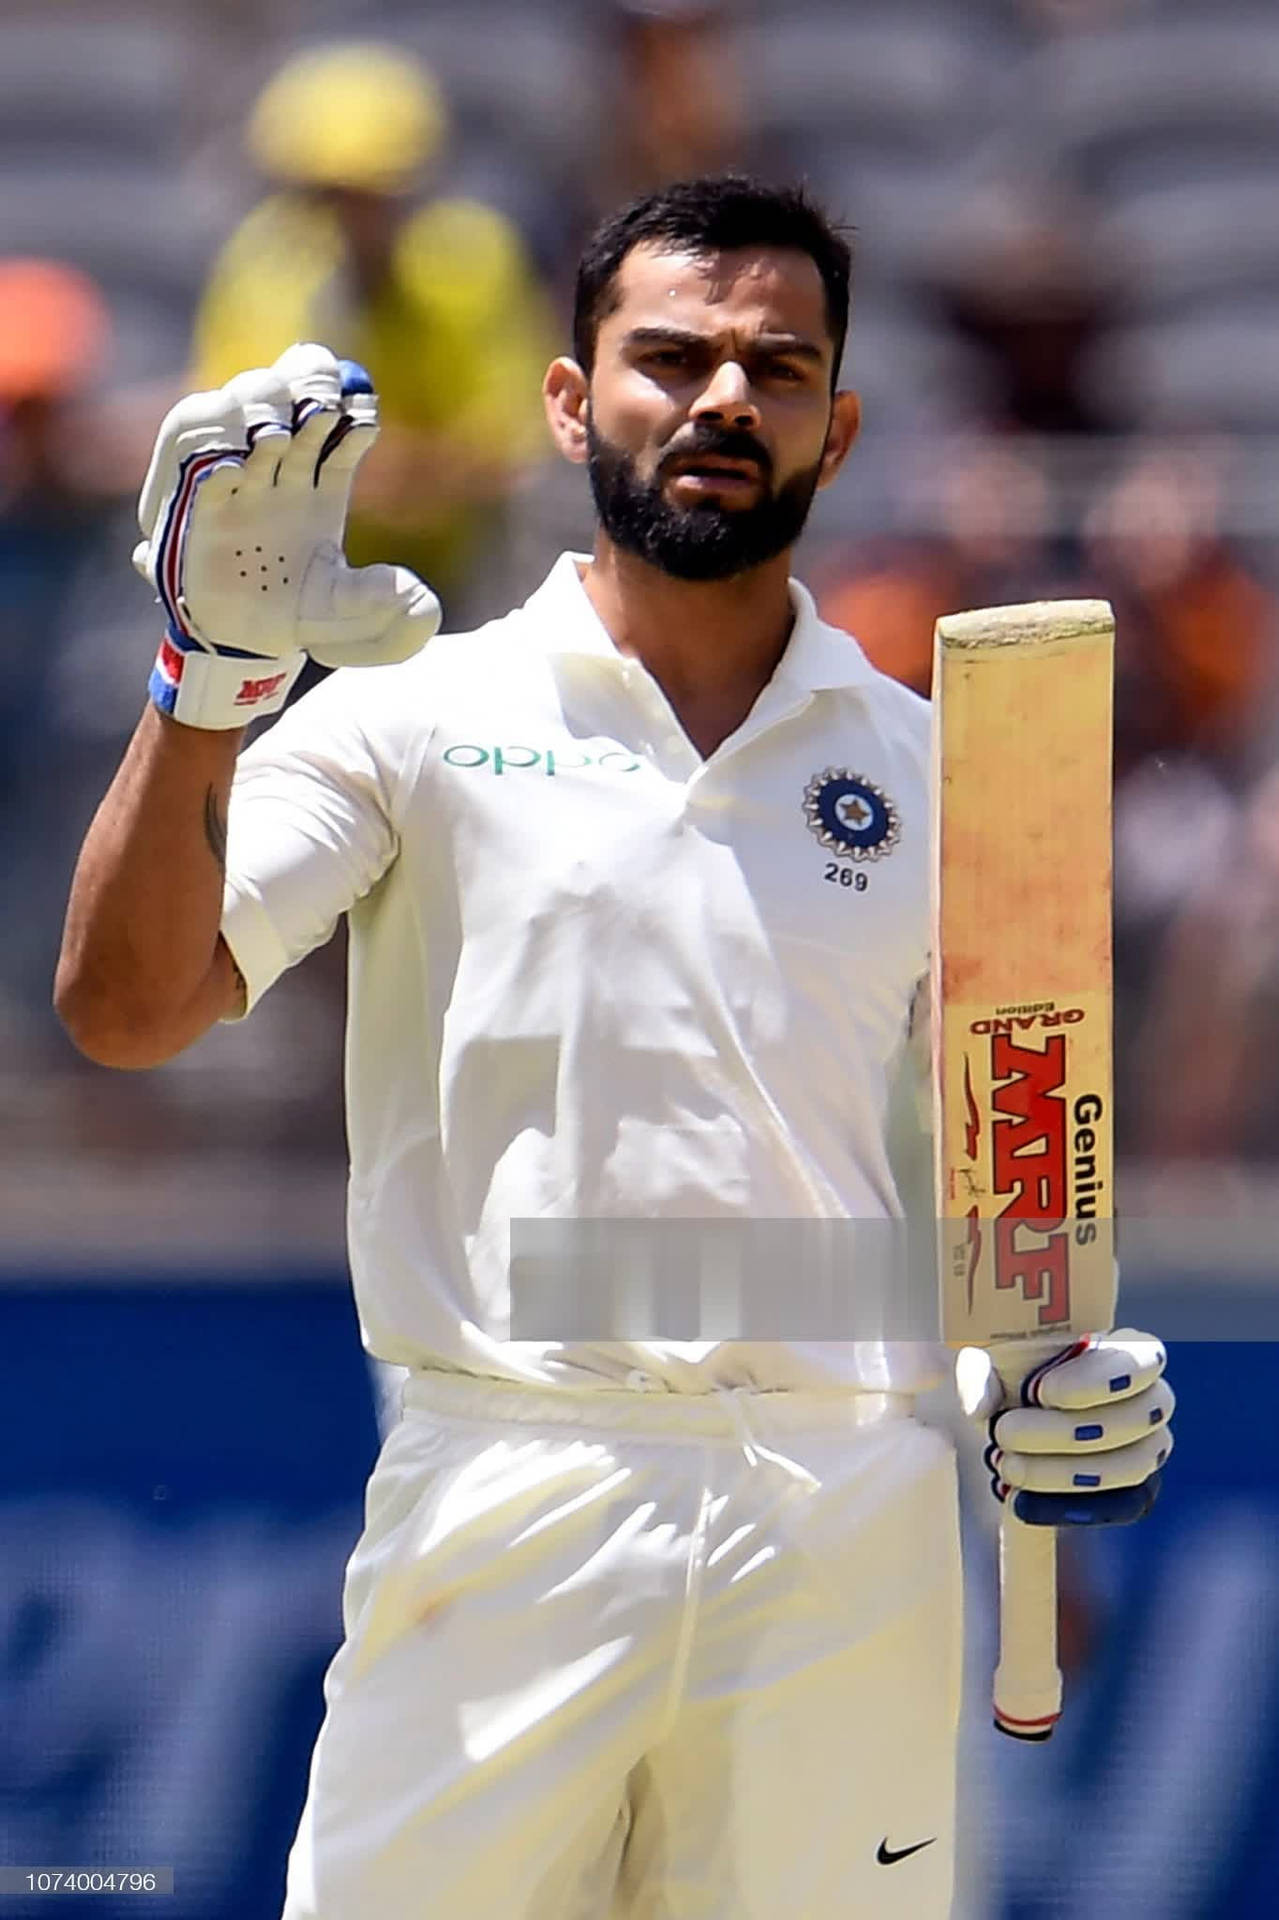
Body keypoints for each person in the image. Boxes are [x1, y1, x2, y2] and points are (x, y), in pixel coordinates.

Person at [56, 177, 1172, 1920]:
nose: (722, 399)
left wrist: (1027, 1386)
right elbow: (127, 1011)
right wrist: (207, 679)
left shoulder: (947, 769)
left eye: (773, 368)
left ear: (836, 424)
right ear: (570, 401)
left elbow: (998, 1183)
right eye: (669, 358)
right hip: (511, 1479)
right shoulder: (417, 718)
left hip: (841, 1520)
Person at [190, 40, 556, 616]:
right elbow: (236, 423)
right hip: (293, 580)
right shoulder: (263, 264)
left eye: (372, 197)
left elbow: (513, 440)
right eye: (326, 198)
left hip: (446, 587)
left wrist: (383, 471)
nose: (350, 220)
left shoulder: (472, 260)